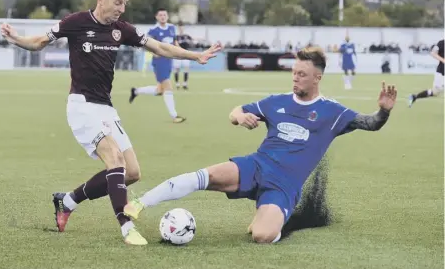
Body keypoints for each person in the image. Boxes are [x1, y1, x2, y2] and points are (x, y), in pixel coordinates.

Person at [0, 0, 221, 246]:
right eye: (118, 2)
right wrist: (15, 39)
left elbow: (160, 47)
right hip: (81, 106)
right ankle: (126, 227)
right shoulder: (76, 22)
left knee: (132, 173)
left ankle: (66, 201)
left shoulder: (122, 29)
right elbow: (38, 42)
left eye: (125, 3)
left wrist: (194, 55)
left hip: (105, 108)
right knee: (114, 159)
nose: (122, 9)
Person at [124, 47, 397, 244]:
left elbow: (371, 123)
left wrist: (383, 112)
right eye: (294, 72)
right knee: (202, 176)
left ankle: (272, 215)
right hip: (256, 165)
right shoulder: (275, 101)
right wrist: (239, 116)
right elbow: (235, 111)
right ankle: (139, 202)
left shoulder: (332, 112)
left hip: (284, 186)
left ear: (317, 78)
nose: (295, 78)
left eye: (302, 74)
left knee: (262, 236)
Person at [129, 9, 185, 123]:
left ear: (167, 16)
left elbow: (175, 43)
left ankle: (136, 91)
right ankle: (174, 116)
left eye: (164, 14)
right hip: (159, 62)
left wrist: (182, 52)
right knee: (168, 87)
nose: (163, 16)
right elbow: (146, 45)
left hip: (169, 61)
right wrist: (154, 53)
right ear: (156, 17)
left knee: (160, 90)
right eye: (160, 15)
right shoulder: (153, 30)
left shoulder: (171, 28)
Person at [408, 39, 444, 107]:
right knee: (435, 92)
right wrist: (443, 60)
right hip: (441, 73)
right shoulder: (442, 43)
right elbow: (433, 53)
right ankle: (414, 97)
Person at [173, 21, 194, 90]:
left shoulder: (187, 36)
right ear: (178, 29)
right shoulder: (176, 37)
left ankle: (185, 83)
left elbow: (193, 41)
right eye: (180, 28)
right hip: (177, 55)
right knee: (177, 69)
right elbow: (174, 44)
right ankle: (177, 84)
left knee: (186, 68)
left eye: (182, 28)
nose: (181, 29)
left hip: (186, 54)